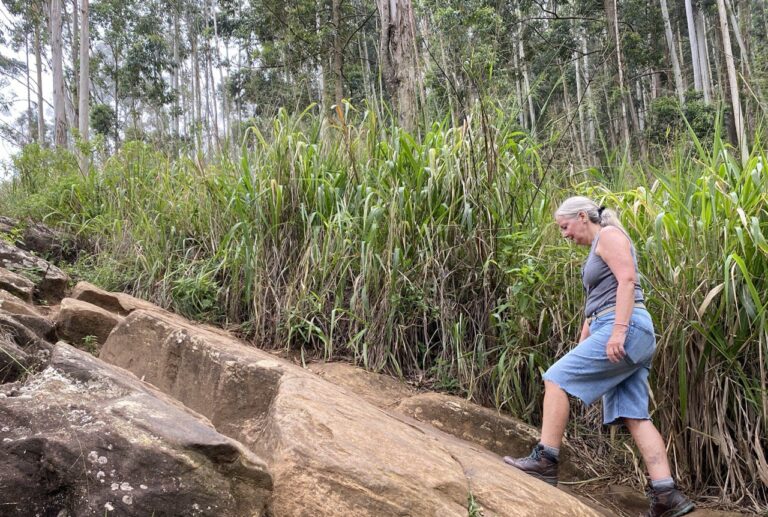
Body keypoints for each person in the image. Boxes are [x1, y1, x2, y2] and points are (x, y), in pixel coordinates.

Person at [503, 196, 694, 517]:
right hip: (623, 328)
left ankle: (545, 459)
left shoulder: (609, 235)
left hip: (625, 326)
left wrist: (619, 331)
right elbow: (596, 306)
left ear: (581, 216)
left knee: (555, 379)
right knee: (634, 415)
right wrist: (585, 340)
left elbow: (628, 281)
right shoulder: (597, 247)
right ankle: (666, 495)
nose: (564, 234)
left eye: (564, 227)